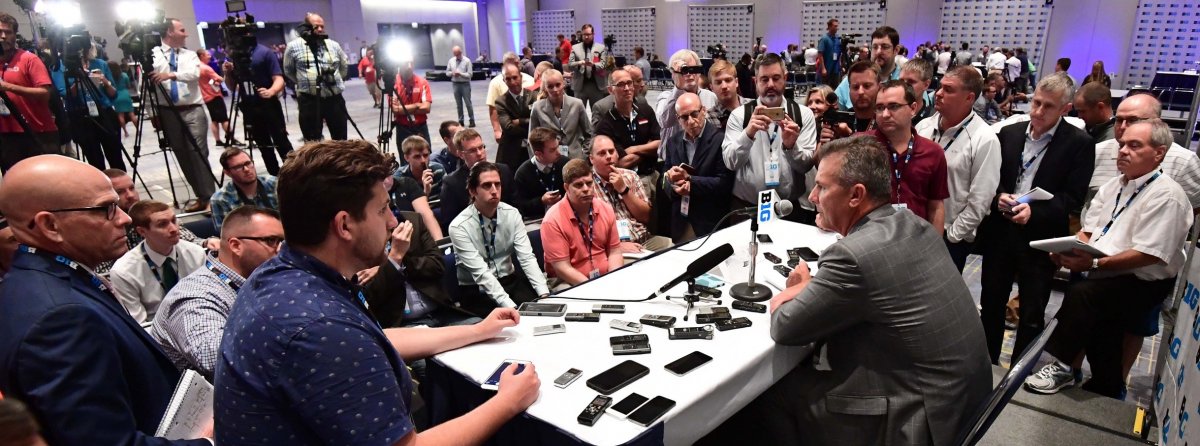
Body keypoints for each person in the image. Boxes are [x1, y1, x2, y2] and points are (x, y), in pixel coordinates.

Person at [214, 140, 540, 444]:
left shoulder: (281, 275)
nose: (392, 221)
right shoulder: (319, 328)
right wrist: (509, 400)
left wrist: (479, 330)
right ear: (344, 225)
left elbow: (376, 339)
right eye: (383, 209)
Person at [755, 135, 990, 445]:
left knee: (767, 395)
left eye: (822, 187)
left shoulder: (853, 255)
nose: (812, 196)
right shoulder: (913, 223)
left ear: (856, 195)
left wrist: (797, 289)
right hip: (963, 400)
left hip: (917, 418)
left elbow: (785, 327)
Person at [0, 155, 211, 445]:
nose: (125, 218)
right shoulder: (61, 319)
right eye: (106, 209)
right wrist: (208, 441)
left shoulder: (36, 281)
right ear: (50, 225)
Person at [1024, 119, 1192, 399]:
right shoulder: (1114, 185)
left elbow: (1148, 254)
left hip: (1142, 280)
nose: (1123, 151)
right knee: (1104, 332)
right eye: (1122, 144)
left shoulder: (1167, 196)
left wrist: (1092, 264)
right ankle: (1108, 386)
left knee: (1084, 295)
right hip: (1106, 269)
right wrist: (1072, 250)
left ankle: (1064, 365)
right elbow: (1091, 230)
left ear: (1159, 153)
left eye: (1134, 146)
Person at [978, 73, 1095, 365]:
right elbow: (992, 179)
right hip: (1001, 230)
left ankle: (1020, 369)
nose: (1038, 112)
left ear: (1065, 109)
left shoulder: (1079, 143)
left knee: (1031, 311)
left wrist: (1036, 211)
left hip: (1040, 238)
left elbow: (1073, 198)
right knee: (991, 303)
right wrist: (999, 196)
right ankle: (986, 363)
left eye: (1048, 107)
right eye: (1036, 103)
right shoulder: (1010, 133)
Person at [151, 206, 282, 378]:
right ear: (235, 245)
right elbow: (217, 360)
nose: (280, 250)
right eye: (271, 241)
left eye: (283, 242)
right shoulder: (195, 296)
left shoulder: (263, 280)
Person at [916, 66, 1002, 271]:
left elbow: (981, 199)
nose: (938, 93)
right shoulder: (923, 127)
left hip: (949, 238)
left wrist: (952, 235)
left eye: (948, 89)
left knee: (939, 299)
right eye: (939, 87)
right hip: (914, 229)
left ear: (969, 98)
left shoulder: (984, 139)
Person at [449, 161, 550, 314]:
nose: (494, 190)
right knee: (509, 324)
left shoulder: (512, 214)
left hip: (510, 281)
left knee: (542, 313)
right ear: (472, 191)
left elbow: (526, 258)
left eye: (498, 184)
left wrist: (544, 294)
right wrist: (511, 307)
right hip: (477, 290)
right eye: (487, 185)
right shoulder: (459, 227)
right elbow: (481, 274)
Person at [724, 53, 818, 213]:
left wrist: (791, 146)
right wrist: (748, 134)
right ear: (756, 81)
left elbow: (806, 167)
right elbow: (731, 163)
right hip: (747, 207)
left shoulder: (803, 114)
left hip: (788, 207)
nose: (770, 84)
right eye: (764, 79)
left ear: (785, 77)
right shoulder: (740, 115)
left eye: (776, 78)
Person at [361, 208, 479, 330]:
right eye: (381, 210)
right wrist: (393, 261)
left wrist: (396, 263)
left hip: (441, 311)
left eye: (387, 206)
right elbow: (369, 298)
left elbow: (437, 265)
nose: (392, 220)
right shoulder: (357, 238)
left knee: (486, 331)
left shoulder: (412, 221)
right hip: (403, 325)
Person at [859, 79, 949, 232]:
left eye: (894, 106)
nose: (885, 114)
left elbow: (936, 206)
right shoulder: (861, 146)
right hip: (869, 238)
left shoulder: (933, 153)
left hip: (916, 240)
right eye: (880, 108)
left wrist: (935, 248)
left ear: (913, 108)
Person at [151, 17, 217, 212]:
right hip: (168, 112)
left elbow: (193, 75)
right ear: (170, 32)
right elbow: (146, 85)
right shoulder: (153, 55)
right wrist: (152, 112)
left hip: (192, 109)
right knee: (182, 154)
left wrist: (171, 75)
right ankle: (200, 196)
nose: (186, 33)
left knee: (197, 152)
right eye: (182, 30)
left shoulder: (189, 55)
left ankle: (210, 198)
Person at [109, 200, 208, 323]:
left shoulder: (196, 252)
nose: (173, 229)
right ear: (142, 231)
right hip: (155, 332)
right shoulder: (123, 272)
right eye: (162, 224)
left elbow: (207, 298)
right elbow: (140, 324)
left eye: (174, 220)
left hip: (198, 320)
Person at [541, 158, 624, 289]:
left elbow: (614, 252)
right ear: (566, 188)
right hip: (566, 280)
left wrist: (613, 279)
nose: (586, 189)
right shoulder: (552, 220)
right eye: (579, 185)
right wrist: (593, 287)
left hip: (604, 275)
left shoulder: (605, 208)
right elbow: (562, 268)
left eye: (589, 183)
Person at [663, 92, 734, 241]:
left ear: (704, 110)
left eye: (694, 114)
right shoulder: (672, 142)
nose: (690, 121)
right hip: (681, 222)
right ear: (678, 119)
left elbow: (724, 183)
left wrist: (691, 181)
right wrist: (674, 188)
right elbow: (664, 180)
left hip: (710, 222)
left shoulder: (721, 140)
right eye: (684, 117)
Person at [223, 41, 294, 175]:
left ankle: (294, 174)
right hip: (249, 107)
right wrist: (227, 74)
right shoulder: (234, 55)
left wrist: (271, 91)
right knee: (263, 146)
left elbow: (279, 79)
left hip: (269, 105)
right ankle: (273, 176)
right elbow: (233, 87)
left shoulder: (264, 52)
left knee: (281, 141)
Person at [590, 135, 672, 252]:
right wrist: (616, 246)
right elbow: (588, 231)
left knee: (671, 247)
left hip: (644, 240)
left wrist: (623, 190)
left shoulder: (630, 175)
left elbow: (646, 217)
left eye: (611, 151)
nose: (609, 156)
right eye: (602, 153)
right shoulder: (587, 185)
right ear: (591, 158)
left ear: (617, 154)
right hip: (613, 248)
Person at [0, 13, 59, 173]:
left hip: (38, 133)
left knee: (46, 184)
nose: (3, 36)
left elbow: (44, 93)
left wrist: (8, 87)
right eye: (0, 32)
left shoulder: (29, 59)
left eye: (8, 32)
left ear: (15, 35)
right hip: (7, 136)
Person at [58, 44, 128, 171]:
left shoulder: (100, 64)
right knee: (95, 162)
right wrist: (80, 78)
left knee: (116, 157)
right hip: (80, 115)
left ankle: (122, 188)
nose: (82, 52)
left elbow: (113, 94)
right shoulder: (61, 67)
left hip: (104, 111)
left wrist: (105, 82)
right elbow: (64, 94)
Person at [283, 13, 350, 141]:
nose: (320, 29)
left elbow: (343, 68)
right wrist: (307, 82)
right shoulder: (293, 47)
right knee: (313, 142)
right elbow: (288, 71)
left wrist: (334, 80)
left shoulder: (334, 45)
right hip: (309, 100)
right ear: (306, 27)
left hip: (334, 98)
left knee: (341, 139)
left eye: (322, 26)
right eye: (316, 26)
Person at [594, 67, 662, 191]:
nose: (626, 88)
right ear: (610, 90)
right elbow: (620, 163)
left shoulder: (646, 111)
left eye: (629, 83)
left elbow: (660, 144)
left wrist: (633, 149)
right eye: (620, 84)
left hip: (653, 176)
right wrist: (648, 151)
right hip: (626, 182)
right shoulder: (605, 125)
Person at [438, 128, 516, 234]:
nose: (480, 153)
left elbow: (517, 205)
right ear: (461, 154)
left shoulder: (503, 170)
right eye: (472, 150)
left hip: (508, 229)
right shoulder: (452, 183)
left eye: (481, 147)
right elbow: (450, 222)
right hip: (473, 236)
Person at [656, 49, 720, 145]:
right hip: (674, 156)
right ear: (673, 74)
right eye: (684, 70)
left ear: (699, 72)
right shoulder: (665, 97)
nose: (689, 74)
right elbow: (665, 122)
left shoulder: (710, 96)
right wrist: (678, 87)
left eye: (693, 69)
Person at [209, 147, 280, 231]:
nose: (246, 169)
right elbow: (228, 236)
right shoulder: (220, 200)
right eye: (238, 167)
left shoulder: (275, 183)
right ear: (227, 173)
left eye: (248, 163)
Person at [528, 69, 592, 160]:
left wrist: (584, 156)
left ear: (564, 83)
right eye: (550, 86)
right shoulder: (537, 108)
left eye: (558, 85)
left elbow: (589, 134)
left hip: (575, 159)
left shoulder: (577, 104)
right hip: (549, 159)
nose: (555, 89)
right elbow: (531, 139)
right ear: (545, 88)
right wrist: (539, 161)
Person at [835, 26, 901, 111]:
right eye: (875, 47)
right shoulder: (854, 79)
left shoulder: (905, 80)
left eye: (885, 47)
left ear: (896, 50)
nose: (878, 52)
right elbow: (833, 107)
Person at [513, 127, 567, 220]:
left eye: (558, 147)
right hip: (538, 219)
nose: (558, 152)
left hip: (565, 215)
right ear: (538, 154)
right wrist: (541, 201)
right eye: (552, 150)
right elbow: (520, 207)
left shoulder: (565, 164)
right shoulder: (523, 174)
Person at [494, 60, 538, 167]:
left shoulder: (534, 97)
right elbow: (508, 127)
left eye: (515, 77)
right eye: (508, 79)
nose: (513, 82)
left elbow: (539, 120)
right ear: (504, 81)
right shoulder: (501, 102)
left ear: (521, 77)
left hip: (534, 148)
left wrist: (520, 121)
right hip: (512, 150)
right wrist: (531, 128)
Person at [486, 52, 533, 141]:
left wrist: (520, 121)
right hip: (511, 136)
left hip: (532, 136)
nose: (512, 82)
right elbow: (493, 108)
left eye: (516, 63)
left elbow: (537, 116)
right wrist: (496, 130)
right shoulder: (495, 83)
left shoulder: (530, 80)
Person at [197, 49, 239, 147]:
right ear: (202, 56)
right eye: (207, 54)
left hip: (206, 97)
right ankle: (231, 139)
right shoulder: (206, 68)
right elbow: (220, 79)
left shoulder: (197, 67)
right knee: (224, 119)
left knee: (214, 120)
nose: (210, 56)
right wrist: (226, 74)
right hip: (214, 96)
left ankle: (218, 141)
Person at [391, 60, 433, 146]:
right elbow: (396, 110)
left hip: (420, 127)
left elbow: (426, 108)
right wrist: (417, 105)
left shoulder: (422, 82)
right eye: (406, 63)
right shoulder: (393, 83)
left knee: (425, 156)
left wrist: (403, 109)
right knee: (405, 157)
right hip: (403, 128)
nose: (409, 66)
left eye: (411, 63)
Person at [568, 24, 608, 108]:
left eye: (588, 34)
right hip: (580, 85)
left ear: (593, 34)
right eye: (584, 35)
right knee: (578, 113)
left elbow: (603, 64)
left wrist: (593, 65)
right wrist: (580, 63)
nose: (586, 37)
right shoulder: (574, 48)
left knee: (598, 112)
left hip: (596, 86)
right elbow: (570, 64)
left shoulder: (601, 48)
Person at [396, 135, 446, 200]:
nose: (423, 160)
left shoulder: (438, 170)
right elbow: (404, 208)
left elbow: (448, 198)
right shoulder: (400, 178)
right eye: (417, 157)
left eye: (426, 155)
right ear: (406, 158)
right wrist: (425, 192)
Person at [708, 59, 753, 129]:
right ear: (711, 87)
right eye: (718, 82)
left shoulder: (753, 106)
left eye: (728, 80)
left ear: (736, 82)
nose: (724, 86)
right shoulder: (708, 118)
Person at [899, 58, 935, 125]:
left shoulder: (934, 119)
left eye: (911, 82)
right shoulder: (889, 113)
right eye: (901, 81)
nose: (904, 86)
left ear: (926, 85)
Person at [448, 45, 476, 127]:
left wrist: (460, 74)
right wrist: (452, 73)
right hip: (455, 84)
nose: (456, 56)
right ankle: (461, 121)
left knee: (468, 103)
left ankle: (472, 120)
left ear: (460, 52)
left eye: (457, 54)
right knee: (458, 105)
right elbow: (447, 72)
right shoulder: (451, 61)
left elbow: (470, 74)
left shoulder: (467, 61)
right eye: (454, 54)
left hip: (465, 84)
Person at [109, 60, 136, 138]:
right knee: (131, 114)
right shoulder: (124, 75)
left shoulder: (110, 78)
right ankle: (138, 129)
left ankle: (125, 132)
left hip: (116, 96)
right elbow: (129, 85)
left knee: (120, 115)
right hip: (125, 95)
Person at [816, 18, 842, 87]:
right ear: (830, 26)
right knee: (824, 89)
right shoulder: (824, 39)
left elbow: (839, 53)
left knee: (835, 89)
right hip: (826, 69)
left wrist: (839, 64)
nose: (837, 28)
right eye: (835, 26)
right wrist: (823, 68)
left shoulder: (838, 39)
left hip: (835, 70)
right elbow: (820, 54)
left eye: (837, 26)